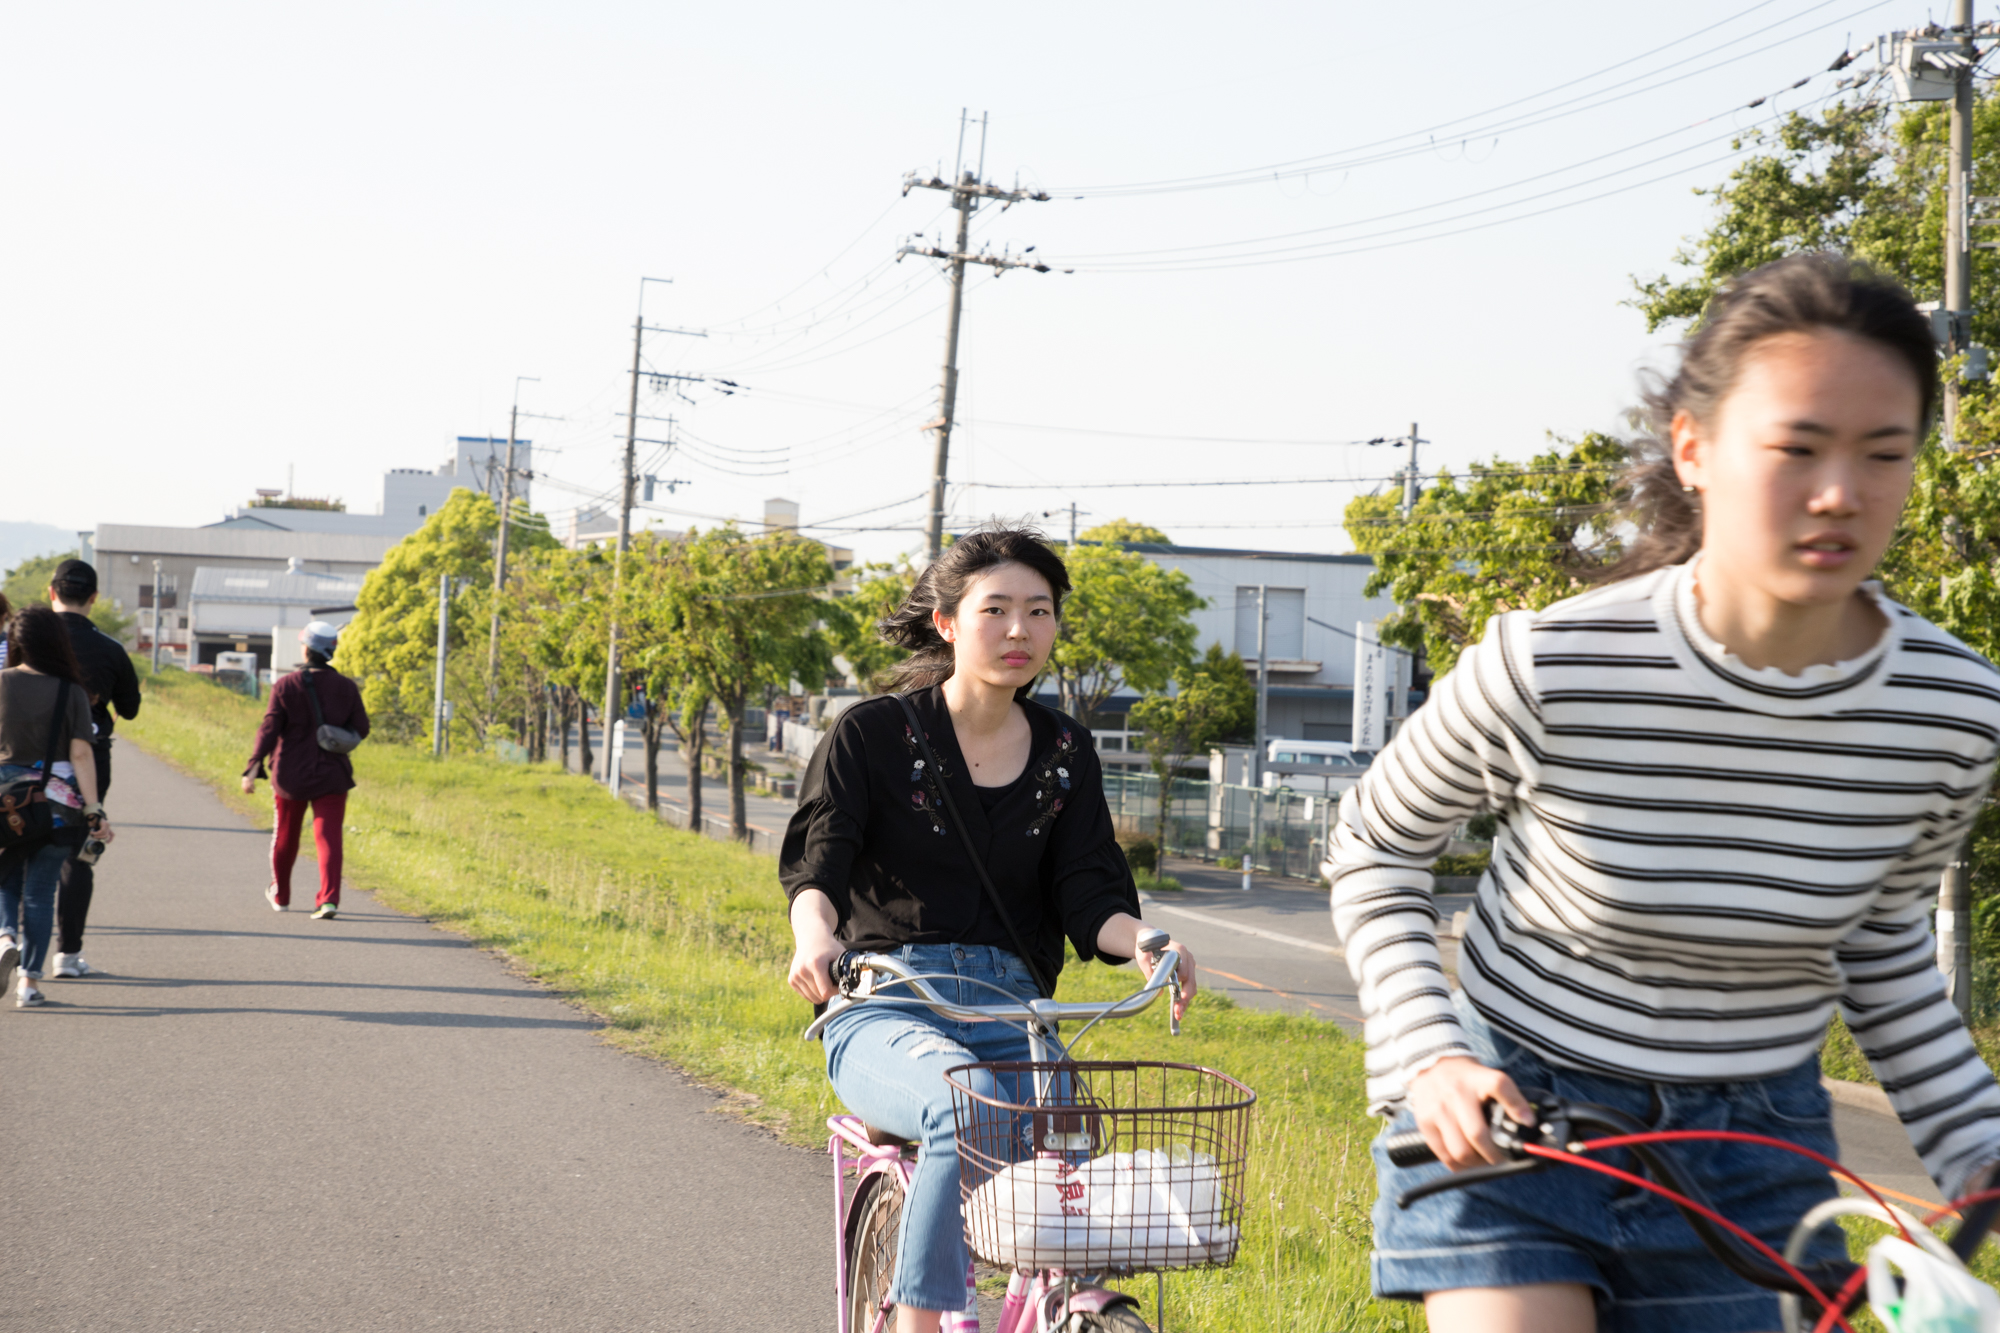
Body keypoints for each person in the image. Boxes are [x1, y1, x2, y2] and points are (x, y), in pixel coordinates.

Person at [1329, 252, 2000, 1333]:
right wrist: (1430, 1057)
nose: (1840, 493)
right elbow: (1374, 846)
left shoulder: (1949, 710)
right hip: (1514, 1121)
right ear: (1693, 446)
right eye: (1795, 449)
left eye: (1884, 453)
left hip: (1754, 1150)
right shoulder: (1552, 664)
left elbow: (1878, 944)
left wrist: (1978, 1143)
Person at [781, 527, 1197, 1333]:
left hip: (1012, 1009)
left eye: (1038, 612)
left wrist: (1145, 939)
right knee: (963, 1105)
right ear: (947, 622)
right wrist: (814, 937)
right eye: (996, 609)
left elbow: (1089, 891)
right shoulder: (871, 734)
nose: (1019, 630)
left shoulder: (1067, 751)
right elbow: (817, 864)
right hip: (885, 1001)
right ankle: (923, 1320)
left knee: (1071, 1137)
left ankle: (1062, 1305)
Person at [0, 606, 113, 1008]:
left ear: (16, 641)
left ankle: (5, 937)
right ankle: (28, 983)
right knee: (41, 892)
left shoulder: (1, 683)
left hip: (7, 801)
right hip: (57, 803)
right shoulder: (72, 691)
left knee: (5, 880)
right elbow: (82, 755)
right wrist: (94, 810)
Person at [46, 558, 142, 978]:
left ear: (52, 593)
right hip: (90, 758)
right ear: (94, 598)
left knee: (14, 846)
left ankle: (8, 939)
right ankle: (67, 955)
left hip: (22, 756)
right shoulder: (110, 649)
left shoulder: (22, 640)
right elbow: (131, 709)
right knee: (77, 854)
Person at [242, 621, 368, 920]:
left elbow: (269, 728)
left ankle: (281, 896)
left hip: (290, 774)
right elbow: (361, 727)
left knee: (285, 835)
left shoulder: (286, 685)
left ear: (306, 649)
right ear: (331, 650)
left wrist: (252, 767)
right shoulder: (347, 687)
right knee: (328, 837)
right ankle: (328, 900)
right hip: (332, 773)